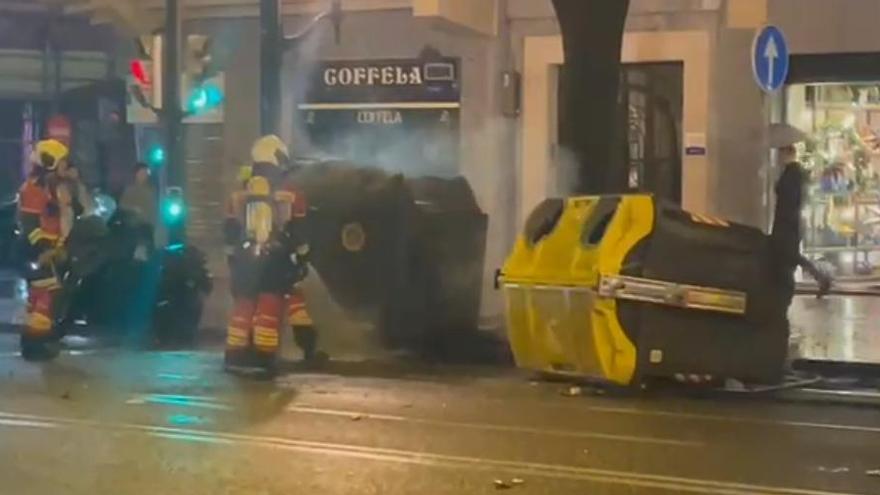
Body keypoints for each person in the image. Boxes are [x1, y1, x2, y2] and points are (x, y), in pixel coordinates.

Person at [223, 135, 322, 377]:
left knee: (244, 306)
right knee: (270, 305)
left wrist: (234, 258)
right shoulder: (288, 190)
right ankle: (264, 356)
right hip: (275, 257)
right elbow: (299, 228)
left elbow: (229, 228)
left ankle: (235, 353)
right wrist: (302, 256)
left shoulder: (240, 190)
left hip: (245, 257)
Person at [16, 139, 69, 360]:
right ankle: (37, 344)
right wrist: (44, 250)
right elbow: (30, 224)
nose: (65, 166)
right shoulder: (33, 189)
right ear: (50, 163)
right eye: (62, 162)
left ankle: (36, 343)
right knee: (45, 297)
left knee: (41, 297)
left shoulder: (48, 188)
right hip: (37, 251)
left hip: (46, 250)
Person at [769, 123, 833, 300]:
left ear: (787, 153)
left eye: (781, 153)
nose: (779, 157)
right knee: (789, 256)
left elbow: (789, 197)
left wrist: (778, 186)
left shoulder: (793, 172)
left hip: (788, 223)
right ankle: (815, 278)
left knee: (790, 256)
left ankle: (821, 277)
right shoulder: (792, 172)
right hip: (788, 222)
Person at [119, 163, 157, 254]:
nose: (144, 175)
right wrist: (133, 209)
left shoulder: (152, 189)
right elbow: (122, 205)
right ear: (136, 174)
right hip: (134, 226)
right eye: (142, 173)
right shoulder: (129, 189)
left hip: (148, 226)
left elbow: (153, 208)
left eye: (146, 173)